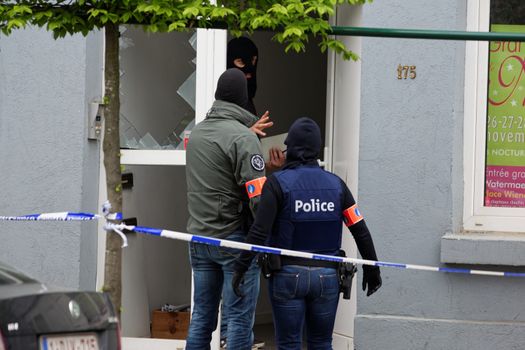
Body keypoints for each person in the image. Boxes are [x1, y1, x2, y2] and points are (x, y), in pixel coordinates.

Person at [231, 117, 382, 350]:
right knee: (321, 343)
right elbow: (360, 229)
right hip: (327, 277)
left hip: (287, 276)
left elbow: (259, 231)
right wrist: (372, 268)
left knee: (289, 344)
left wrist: (240, 267)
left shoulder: (276, 183)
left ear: (290, 148)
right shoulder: (337, 185)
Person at [185, 68, 266, 350]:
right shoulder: (243, 138)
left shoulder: (197, 134)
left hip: (199, 237)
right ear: (244, 99)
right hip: (234, 238)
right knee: (239, 320)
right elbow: (257, 196)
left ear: (218, 95)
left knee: (202, 318)